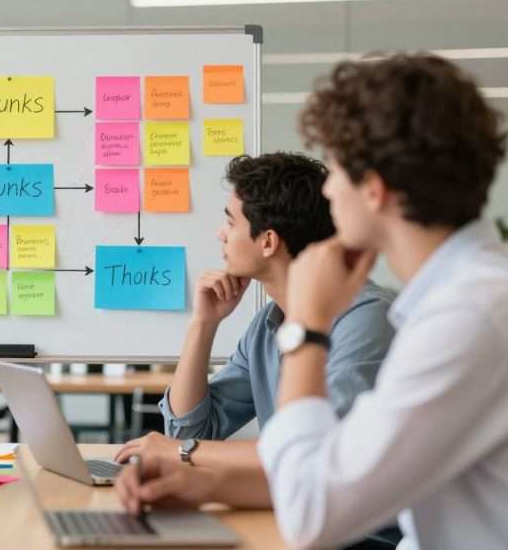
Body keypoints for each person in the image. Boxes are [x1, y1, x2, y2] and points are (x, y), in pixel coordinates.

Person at [118, 54, 508, 550]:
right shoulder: (462, 302)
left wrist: (306, 325)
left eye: (337, 169)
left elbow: (313, 510)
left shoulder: (467, 320)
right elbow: (346, 468)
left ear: (374, 189)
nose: (327, 189)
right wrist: (204, 485)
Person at [115, 153, 395, 474]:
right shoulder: (267, 324)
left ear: (268, 242)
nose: (220, 234)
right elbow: (190, 431)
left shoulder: (364, 318)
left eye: (231, 222)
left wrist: (182, 452)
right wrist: (203, 324)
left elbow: (318, 451)